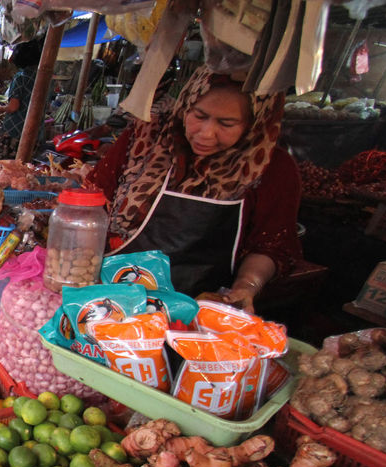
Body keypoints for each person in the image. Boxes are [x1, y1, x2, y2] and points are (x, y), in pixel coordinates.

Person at [85, 67, 302, 311]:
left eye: (226, 123)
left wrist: (247, 285)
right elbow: (92, 200)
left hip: (197, 311)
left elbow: (270, 245)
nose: (206, 133)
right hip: (110, 299)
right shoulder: (147, 137)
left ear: (254, 123)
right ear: (186, 104)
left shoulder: (270, 167)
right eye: (199, 115)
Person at [0, 39, 44, 159]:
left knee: (7, 168)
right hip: (37, 133)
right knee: (26, 169)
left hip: (15, 131)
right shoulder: (45, 78)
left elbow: (13, 106)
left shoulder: (21, 77)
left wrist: (0, 108)